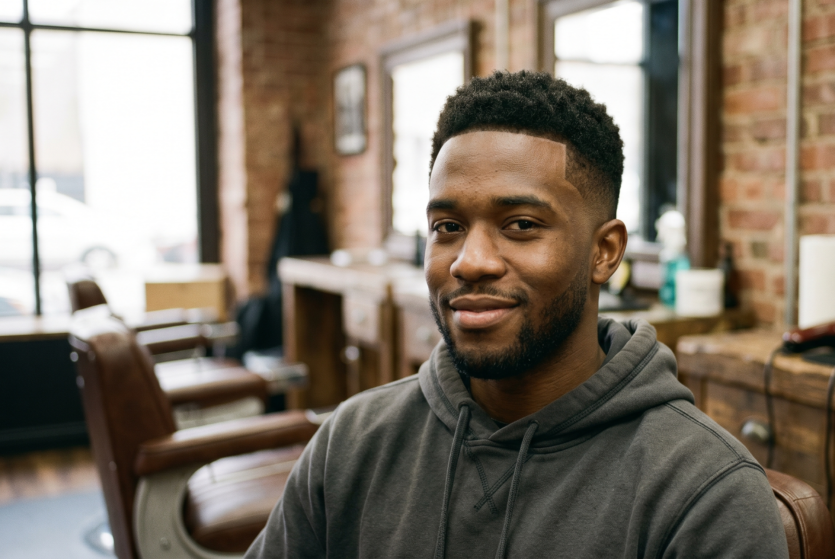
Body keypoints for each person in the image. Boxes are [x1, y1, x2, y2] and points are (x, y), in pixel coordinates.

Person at [246, 70, 788, 558]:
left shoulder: (703, 494)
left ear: (605, 252)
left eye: (522, 224)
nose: (470, 262)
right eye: (447, 227)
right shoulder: (353, 443)